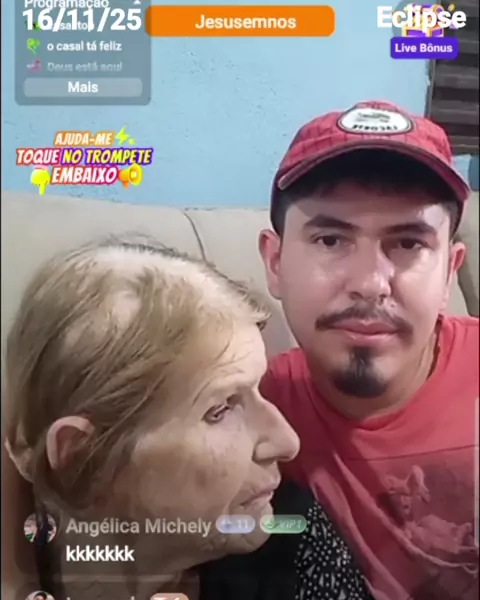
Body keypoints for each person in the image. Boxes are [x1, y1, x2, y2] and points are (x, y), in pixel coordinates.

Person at [4, 237, 373, 600]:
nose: (286, 442)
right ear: (84, 457)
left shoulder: (293, 534)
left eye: (257, 389)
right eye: (221, 409)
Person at [255, 100, 479, 599]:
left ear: (450, 271)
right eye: (331, 240)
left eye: (408, 243)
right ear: (275, 263)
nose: (370, 283)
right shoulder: (255, 409)